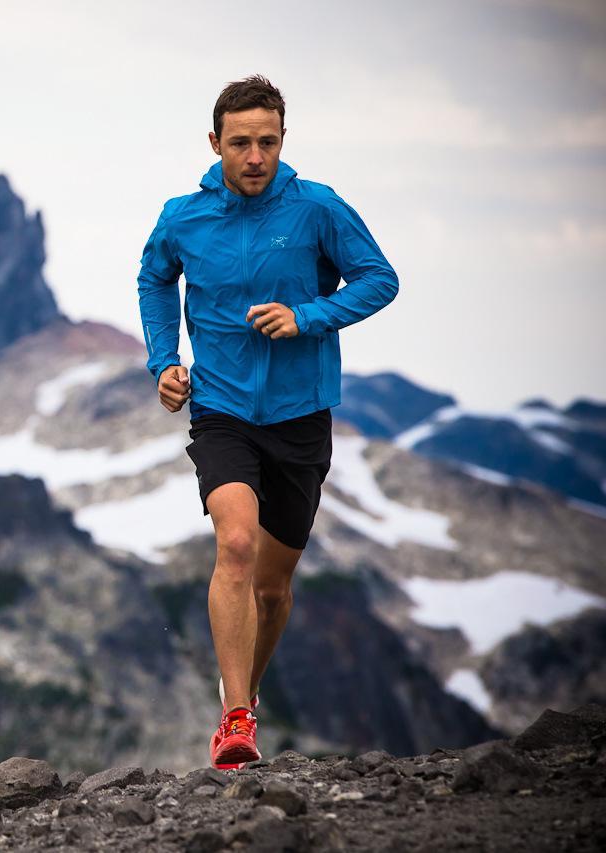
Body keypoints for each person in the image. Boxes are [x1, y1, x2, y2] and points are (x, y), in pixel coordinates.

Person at [135, 75, 399, 770]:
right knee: (237, 543)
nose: (256, 156)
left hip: (300, 416)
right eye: (242, 142)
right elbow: (154, 276)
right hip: (221, 410)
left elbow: (379, 277)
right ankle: (235, 717)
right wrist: (165, 360)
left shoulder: (318, 209)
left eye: (269, 142)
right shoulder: (183, 216)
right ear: (215, 142)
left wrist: (307, 315)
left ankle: (246, 690)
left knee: (274, 587)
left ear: (283, 140)